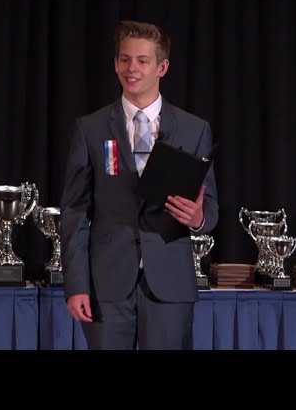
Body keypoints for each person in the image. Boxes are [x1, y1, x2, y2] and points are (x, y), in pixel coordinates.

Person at [60, 20, 219, 350]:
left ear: (162, 67)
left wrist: (198, 218)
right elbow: (74, 211)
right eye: (124, 59)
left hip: (169, 285)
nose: (131, 68)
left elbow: (211, 208)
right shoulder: (90, 129)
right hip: (106, 286)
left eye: (142, 60)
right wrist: (76, 285)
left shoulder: (194, 130)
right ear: (115, 63)